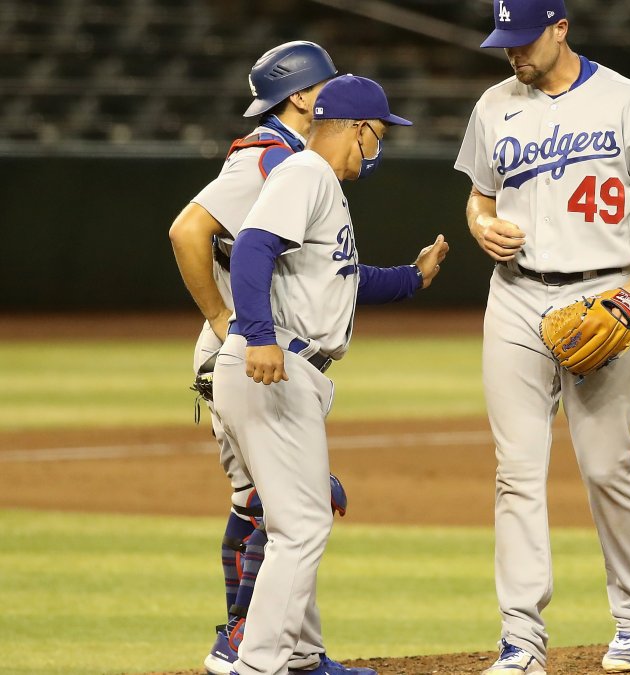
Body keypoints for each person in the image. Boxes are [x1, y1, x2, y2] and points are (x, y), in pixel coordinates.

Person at [454, 1, 630, 672]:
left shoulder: (624, 99)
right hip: (515, 296)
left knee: (604, 461)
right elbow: (478, 195)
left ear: (562, 27)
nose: (513, 52)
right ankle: (522, 637)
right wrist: (480, 224)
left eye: (524, 38)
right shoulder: (493, 106)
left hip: (606, 292)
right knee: (517, 471)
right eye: (505, 41)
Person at [212, 73, 449, 675]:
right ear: (358, 128)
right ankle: (259, 665)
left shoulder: (316, 184)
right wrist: (260, 336)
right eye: (379, 134)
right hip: (274, 363)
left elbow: (341, 280)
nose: (379, 147)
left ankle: (300, 657)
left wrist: (412, 278)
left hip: (287, 367)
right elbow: (251, 249)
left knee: (301, 515)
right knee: (301, 527)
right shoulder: (306, 174)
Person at [167, 40, 351, 675]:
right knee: (269, 506)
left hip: (256, 347)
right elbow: (187, 230)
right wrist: (225, 324)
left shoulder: (298, 159)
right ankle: (241, 642)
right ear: (302, 96)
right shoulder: (270, 157)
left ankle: (289, 650)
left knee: (273, 503)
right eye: (328, 84)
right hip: (247, 350)